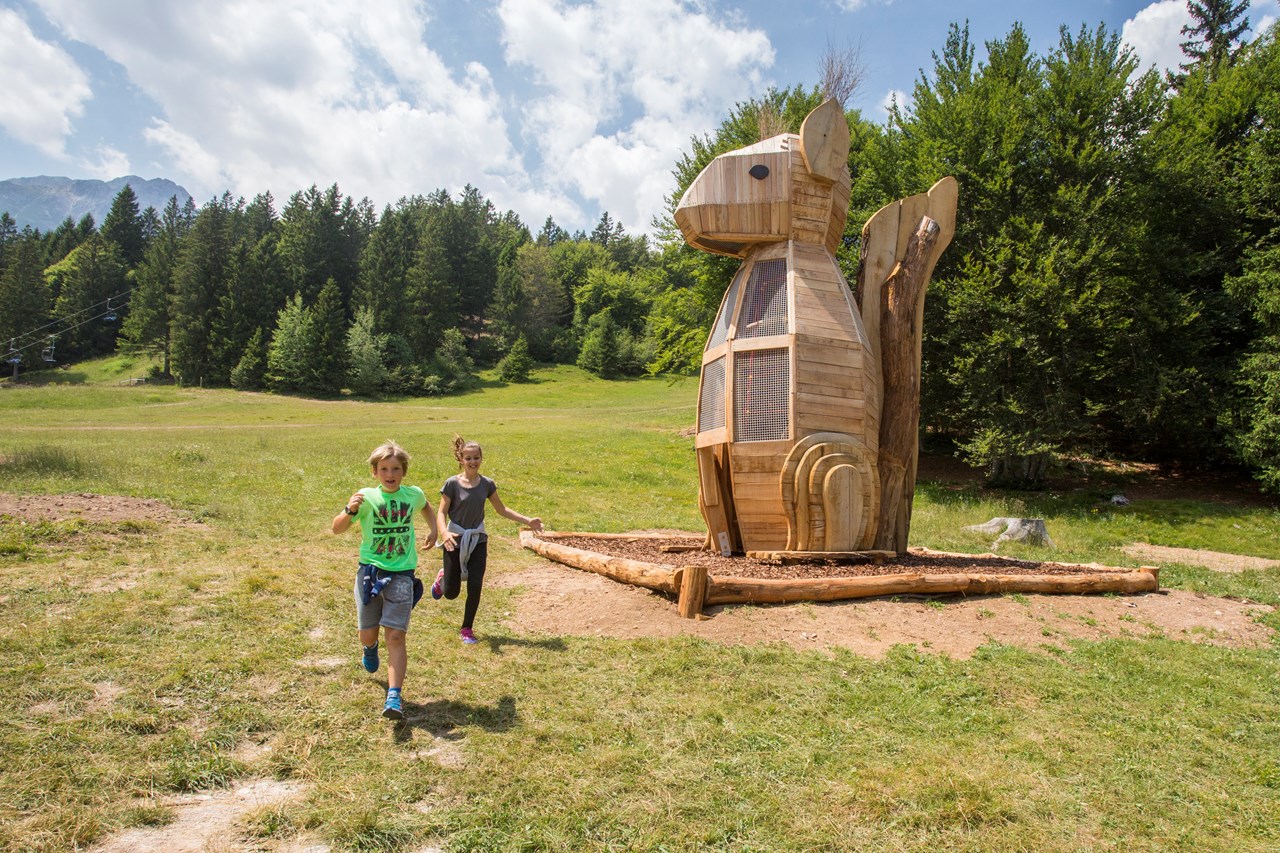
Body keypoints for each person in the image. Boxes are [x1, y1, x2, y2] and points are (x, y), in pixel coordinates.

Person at [332, 440, 438, 720]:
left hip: (402, 574)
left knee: (396, 635)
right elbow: (336, 529)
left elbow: (426, 506)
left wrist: (434, 530)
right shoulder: (365, 497)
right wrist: (349, 509)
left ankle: (394, 696)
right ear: (374, 472)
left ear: (403, 471)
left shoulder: (412, 495)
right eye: (383, 469)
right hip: (370, 574)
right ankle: (369, 647)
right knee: (368, 632)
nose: (390, 474)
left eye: (395, 469)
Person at [431, 435, 544, 644]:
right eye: (468, 458)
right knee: (451, 593)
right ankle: (443, 578)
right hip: (454, 538)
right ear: (461, 459)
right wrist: (444, 533)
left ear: (481, 458)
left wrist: (528, 520)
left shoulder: (487, 484)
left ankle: (466, 628)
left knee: (475, 584)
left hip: (478, 539)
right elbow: (440, 513)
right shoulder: (451, 484)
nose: (473, 462)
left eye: (476, 458)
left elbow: (501, 509)